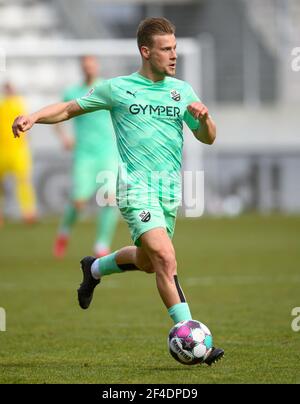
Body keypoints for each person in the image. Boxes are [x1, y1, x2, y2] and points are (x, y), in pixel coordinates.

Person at [12, 17, 224, 365]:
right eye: (166, 49)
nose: (174, 55)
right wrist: (33, 116)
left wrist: (205, 118)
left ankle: (94, 269)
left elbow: (208, 137)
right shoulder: (118, 88)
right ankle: (192, 337)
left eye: (175, 48)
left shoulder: (182, 91)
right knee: (166, 258)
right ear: (145, 51)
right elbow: (68, 108)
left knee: (147, 260)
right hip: (134, 186)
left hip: (168, 191)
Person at [53, 55, 119, 259]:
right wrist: (64, 137)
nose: (89, 68)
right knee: (79, 201)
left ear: (97, 66)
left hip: (108, 152)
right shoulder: (72, 92)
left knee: (110, 198)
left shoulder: (107, 88)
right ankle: (64, 232)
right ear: (82, 68)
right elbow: (58, 115)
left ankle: (102, 244)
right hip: (84, 153)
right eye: (85, 65)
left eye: (92, 65)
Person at [0, 82, 37, 225]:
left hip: (19, 149)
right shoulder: (2, 106)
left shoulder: (19, 104)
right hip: (2, 149)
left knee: (23, 181)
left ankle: (28, 212)